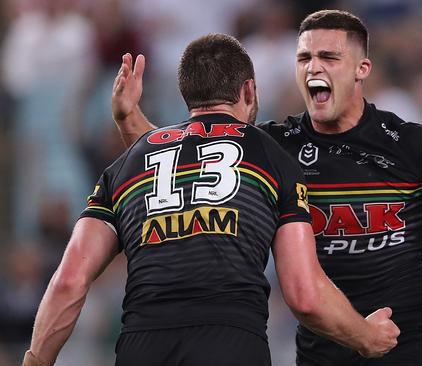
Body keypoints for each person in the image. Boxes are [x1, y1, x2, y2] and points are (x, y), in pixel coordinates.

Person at [112, 10, 422, 366]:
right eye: (304, 57)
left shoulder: (411, 144)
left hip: (402, 343)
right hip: (323, 349)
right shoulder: (270, 147)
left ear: (362, 69)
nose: (312, 67)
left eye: (329, 56)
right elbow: (176, 167)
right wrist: (131, 120)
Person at [22, 33, 401, 366]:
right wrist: (365, 337)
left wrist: (36, 362)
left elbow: (70, 280)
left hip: (142, 346)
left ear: (187, 94)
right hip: (232, 344)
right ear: (249, 91)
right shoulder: (272, 157)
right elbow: (303, 295)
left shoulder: (127, 164)